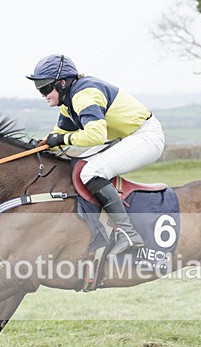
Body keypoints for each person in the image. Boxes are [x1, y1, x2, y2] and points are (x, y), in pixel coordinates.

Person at [27, 54, 165, 256]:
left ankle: (128, 234)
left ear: (62, 83)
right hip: (124, 137)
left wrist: (61, 140)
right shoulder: (68, 102)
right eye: (39, 89)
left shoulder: (84, 95)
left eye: (46, 88)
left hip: (145, 136)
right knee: (74, 163)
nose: (43, 94)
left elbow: (95, 135)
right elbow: (59, 137)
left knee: (90, 172)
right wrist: (41, 145)